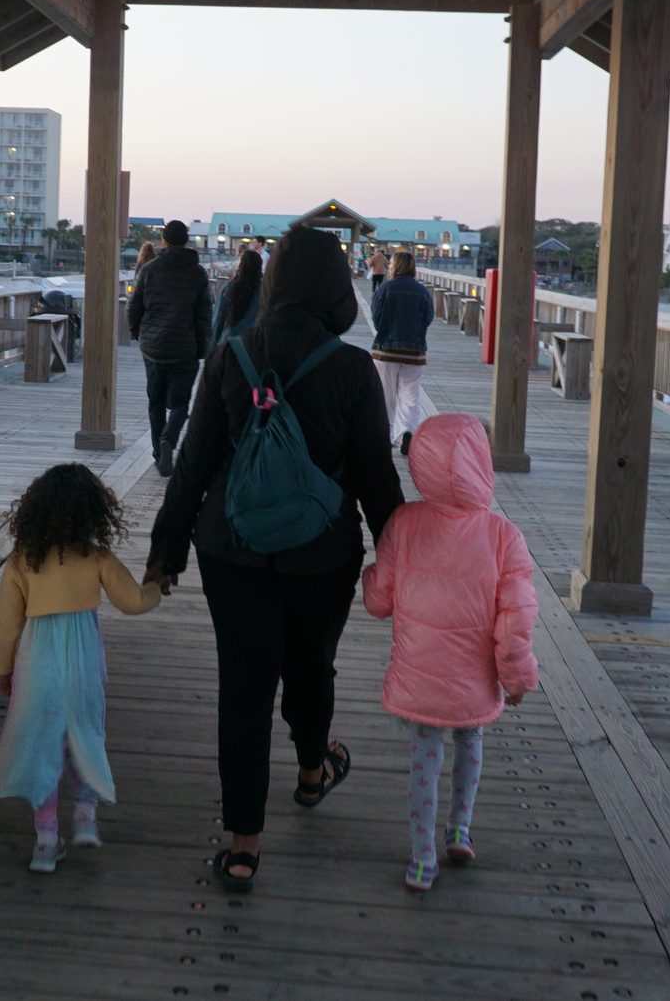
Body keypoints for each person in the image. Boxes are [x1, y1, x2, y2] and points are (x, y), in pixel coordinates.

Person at [147, 226, 404, 894]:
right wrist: (403, 568)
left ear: (273, 282)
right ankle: (314, 773)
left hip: (231, 547)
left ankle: (242, 847)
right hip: (322, 554)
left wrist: (165, 550)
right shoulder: (352, 369)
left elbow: (194, 462)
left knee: (245, 687)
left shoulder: (231, 354)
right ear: (335, 286)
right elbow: (377, 480)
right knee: (311, 665)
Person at [362, 413, 539, 892]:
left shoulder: (404, 522)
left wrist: (368, 579)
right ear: (482, 466)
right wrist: (517, 679)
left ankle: (422, 859)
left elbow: (379, 601)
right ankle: (460, 829)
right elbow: (517, 619)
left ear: (421, 463)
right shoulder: (504, 537)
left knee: (425, 758)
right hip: (474, 677)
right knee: (470, 742)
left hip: (420, 675)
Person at [0, 464, 164, 873]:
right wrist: (157, 586)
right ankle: (85, 816)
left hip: (37, 664)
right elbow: (133, 602)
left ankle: (46, 841)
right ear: (93, 512)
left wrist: (5, 671)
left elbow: (7, 626)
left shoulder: (21, 562)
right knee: (84, 733)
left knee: (42, 745)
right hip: (83, 663)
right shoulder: (97, 557)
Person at [128, 220, 212, 476]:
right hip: (183, 348)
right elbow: (203, 315)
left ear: (163, 240)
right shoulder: (198, 273)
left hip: (152, 348)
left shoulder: (149, 269)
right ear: (186, 241)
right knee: (179, 403)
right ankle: (169, 440)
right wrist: (201, 348)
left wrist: (137, 334)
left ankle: (157, 452)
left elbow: (134, 307)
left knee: (155, 401)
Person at [371, 250, 433, 456]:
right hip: (415, 352)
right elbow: (428, 318)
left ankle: (385, 437)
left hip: (386, 351)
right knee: (410, 396)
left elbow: (376, 316)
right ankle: (407, 432)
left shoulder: (386, 288)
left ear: (395, 266)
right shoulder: (422, 291)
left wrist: (386, 330)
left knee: (385, 395)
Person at [209, 249, 263, 348]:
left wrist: (212, 349)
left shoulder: (229, 288)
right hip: (254, 346)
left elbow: (217, 321)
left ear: (240, 266)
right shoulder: (264, 292)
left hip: (228, 343)